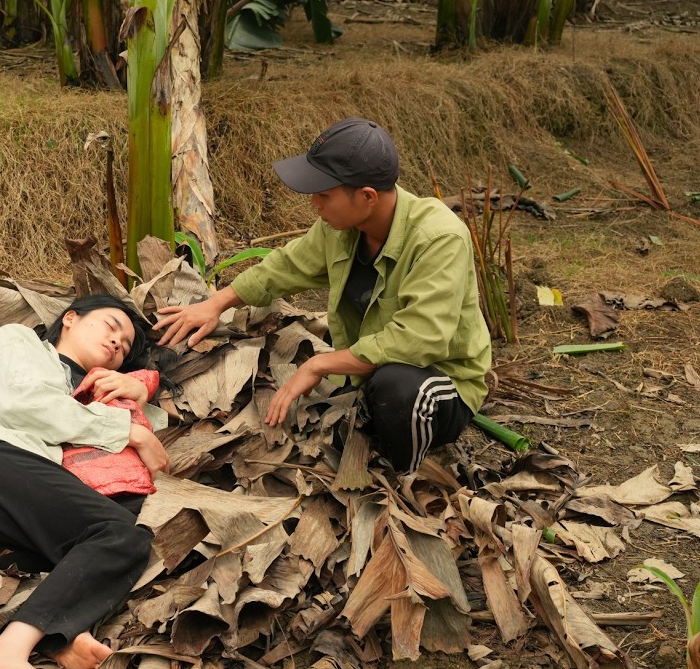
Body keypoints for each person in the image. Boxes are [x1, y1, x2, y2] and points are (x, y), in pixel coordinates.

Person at [156, 117, 491, 474]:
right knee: (374, 389)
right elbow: (287, 265)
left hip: (438, 384)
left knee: (398, 389)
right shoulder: (342, 227)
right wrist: (216, 303)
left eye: (324, 194)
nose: (314, 202)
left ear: (367, 196)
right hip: (370, 372)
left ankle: (402, 475)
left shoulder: (438, 238)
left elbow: (418, 341)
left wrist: (319, 364)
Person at [0, 294, 170, 669]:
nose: (117, 343)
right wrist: (130, 432)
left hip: (3, 526)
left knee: (123, 542)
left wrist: (137, 388)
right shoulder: (18, 340)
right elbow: (23, 404)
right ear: (71, 318)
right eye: (111, 326)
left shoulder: (100, 394)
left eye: (126, 347)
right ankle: (7, 651)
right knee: (116, 532)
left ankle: (60, 640)